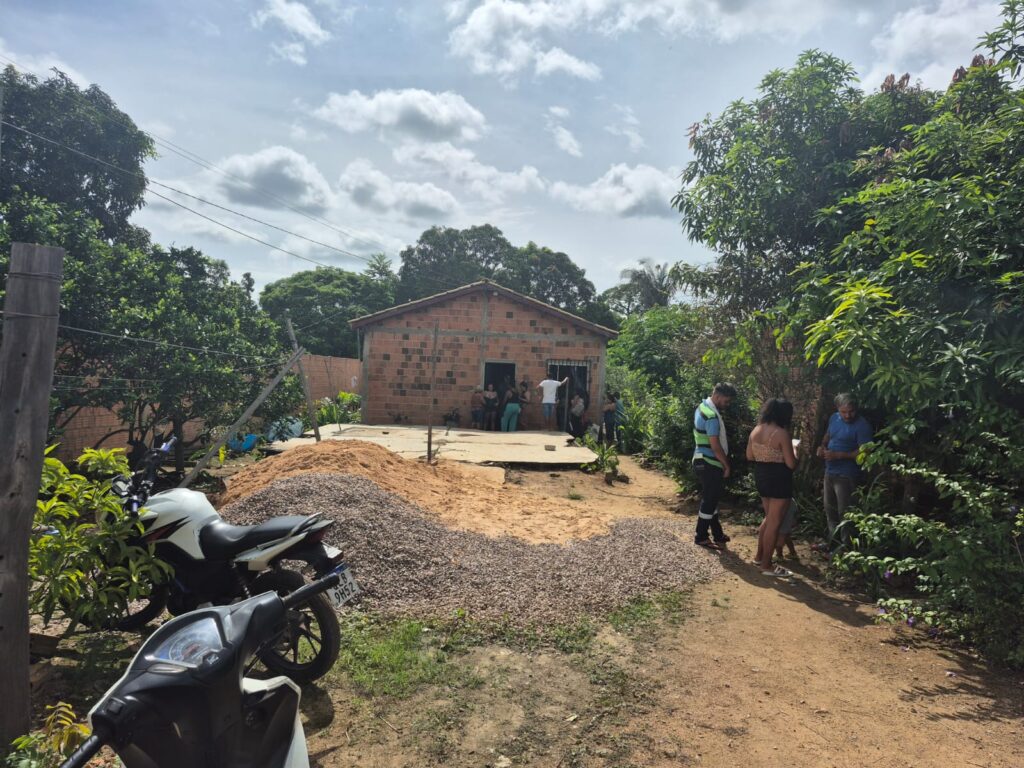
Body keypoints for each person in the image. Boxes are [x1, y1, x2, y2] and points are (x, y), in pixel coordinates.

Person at [747, 398, 798, 576]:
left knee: (768, 518)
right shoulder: (782, 433)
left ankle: (759, 557)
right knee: (774, 522)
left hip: (761, 475)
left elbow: (749, 456)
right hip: (779, 478)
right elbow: (791, 464)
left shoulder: (756, 430)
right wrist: (796, 452)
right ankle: (767, 565)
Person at [817, 393, 873, 546]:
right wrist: (822, 448)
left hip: (847, 475)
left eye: (851, 411)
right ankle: (832, 544)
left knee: (845, 514)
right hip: (830, 472)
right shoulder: (834, 418)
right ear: (838, 409)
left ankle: (846, 548)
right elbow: (827, 436)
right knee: (830, 511)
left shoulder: (862, 426)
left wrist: (840, 455)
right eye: (844, 412)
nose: (848, 415)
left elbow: (865, 452)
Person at [692, 382, 737, 549]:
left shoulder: (701, 408)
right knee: (710, 500)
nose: (727, 404)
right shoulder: (711, 415)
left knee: (712, 499)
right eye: (726, 401)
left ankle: (717, 534)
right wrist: (726, 465)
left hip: (700, 459)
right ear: (717, 396)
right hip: (710, 461)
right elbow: (715, 445)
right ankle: (701, 535)